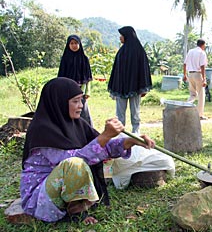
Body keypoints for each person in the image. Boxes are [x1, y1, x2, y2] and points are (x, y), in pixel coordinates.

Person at [20, 77, 155, 224]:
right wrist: (105, 136)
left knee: (77, 164)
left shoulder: (77, 124)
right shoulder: (42, 130)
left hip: (60, 189)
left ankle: (75, 208)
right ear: (58, 102)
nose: (80, 106)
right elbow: (78, 160)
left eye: (81, 100)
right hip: (41, 198)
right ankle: (76, 213)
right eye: (75, 101)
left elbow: (102, 147)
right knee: (75, 164)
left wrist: (131, 141)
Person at [108, 26, 152, 133]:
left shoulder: (139, 51)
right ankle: (120, 133)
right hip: (121, 87)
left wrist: (143, 88)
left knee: (135, 112)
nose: (120, 38)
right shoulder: (121, 52)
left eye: (122, 35)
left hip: (136, 87)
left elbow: (144, 70)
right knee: (120, 114)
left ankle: (135, 133)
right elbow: (116, 71)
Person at [58, 34, 93, 126]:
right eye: (72, 43)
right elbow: (61, 76)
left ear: (79, 44)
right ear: (68, 45)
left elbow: (88, 77)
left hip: (81, 90)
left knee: (83, 111)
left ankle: (87, 130)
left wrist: (87, 92)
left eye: (76, 43)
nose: (74, 45)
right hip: (67, 90)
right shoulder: (65, 59)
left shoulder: (84, 59)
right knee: (68, 111)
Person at [183, 39, 208, 120]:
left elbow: (185, 63)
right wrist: (204, 79)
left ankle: (185, 110)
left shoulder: (190, 51)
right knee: (201, 94)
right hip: (198, 74)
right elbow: (202, 66)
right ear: (203, 45)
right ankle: (200, 114)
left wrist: (184, 74)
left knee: (192, 94)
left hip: (190, 74)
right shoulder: (202, 52)